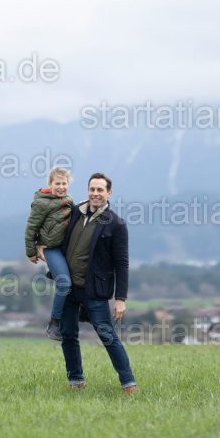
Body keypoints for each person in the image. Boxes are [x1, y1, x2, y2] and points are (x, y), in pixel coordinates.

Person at [59, 172, 137, 393]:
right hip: (67, 288)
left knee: (108, 336)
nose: (95, 193)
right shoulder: (75, 213)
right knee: (68, 335)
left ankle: (128, 383)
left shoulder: (116, 224)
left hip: (94, 289)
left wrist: (120, 298)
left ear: (108, 193)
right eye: (92, 189)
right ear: (88, 191)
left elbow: (122, 263)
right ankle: (76, 381)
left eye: (100, 190)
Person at [24, 167, 73, 340]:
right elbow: (31, 228)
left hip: (66, 249)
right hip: (50, 248)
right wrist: (31, 251)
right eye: (57, 183)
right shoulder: (41, 203)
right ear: (50, 184)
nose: (61, 187)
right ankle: (54, 323)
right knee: (64, 283)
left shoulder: (69, 200)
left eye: (64, 183)